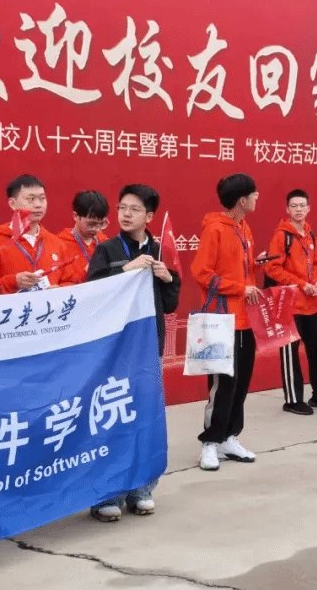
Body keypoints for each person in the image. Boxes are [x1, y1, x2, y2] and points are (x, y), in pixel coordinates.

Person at [85, 184, 180, 521]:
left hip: (148, 347)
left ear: (149, 216)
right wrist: (126, 269)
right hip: (114, 351)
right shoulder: (107, 249)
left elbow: (171, 303)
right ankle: (106, 494)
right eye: (122, 207)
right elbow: (92, 291)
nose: (125, 214)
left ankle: (142, 489)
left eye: (134, 209)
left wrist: (167, 279)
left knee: (145, 419)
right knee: (112, 419)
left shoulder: (160, 249)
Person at [190, 173, 261, 471]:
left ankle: (230, 437)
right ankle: (210, 442)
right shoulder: (215, 229)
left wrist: (256, 266)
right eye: (254, 194)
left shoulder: (244, 228)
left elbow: (240, 268)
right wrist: (239, 288)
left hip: (246, 319)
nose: (257, 198)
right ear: (242, 200)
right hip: (222, 319)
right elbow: (201, 272)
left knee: (241, 384)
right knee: (222, 386)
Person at [262, 189, 317, 415]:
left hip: (311, 303)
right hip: (288, 304)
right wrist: (301, 284)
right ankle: (292, 400)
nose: (298, 209)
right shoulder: (282, 236)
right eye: (294, 206)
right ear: (287, 209)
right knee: (290, 353)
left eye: (302, 205)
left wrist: (315, 281)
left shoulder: (311, 234)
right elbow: (272, 268)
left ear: (308, 208)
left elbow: (316, 263)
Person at [0, 174, 73, 294]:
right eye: (31, 199)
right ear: (12, 204)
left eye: (42, 198)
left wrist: (60, 290)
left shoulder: (57, 243)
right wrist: (13, 282)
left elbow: (71, 282)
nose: (38, 204)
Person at [58, 190, 110, 284]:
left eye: (101, 224)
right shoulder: (60, 244)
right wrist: (87, 271)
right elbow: (61, 284)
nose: (96, 229)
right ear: (76, 216)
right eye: (91, 224)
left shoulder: (104, 242)